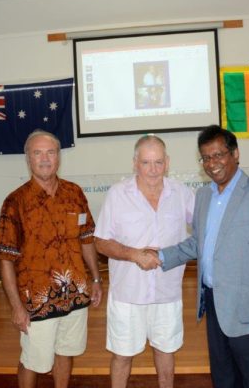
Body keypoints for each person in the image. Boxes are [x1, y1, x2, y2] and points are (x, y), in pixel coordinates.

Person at [160, 125, 249, 388]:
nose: (212, 163)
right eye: (206, 158)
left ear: (235, 154)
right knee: (223, 379)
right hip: (214, 304)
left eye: (218, 155)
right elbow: (198, 243)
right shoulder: (204, 196)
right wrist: (159, 256)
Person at [0, 130, 102, 388]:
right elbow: (5, 260)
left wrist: (96, 279)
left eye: (50, 152)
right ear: (28, 159)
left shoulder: (74, 193)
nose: (45, 159)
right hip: (37, 301)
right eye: (37, 153)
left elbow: (86, 239)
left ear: (58, 157)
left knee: (66, 351)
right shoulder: (14, 202)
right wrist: (16, 307)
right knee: (33, 361)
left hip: (76, 294)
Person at [94, 134, 194, 388]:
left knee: (166, 352)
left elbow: (206, 230)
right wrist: (134, 255)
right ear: (135, 163)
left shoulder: (182, 194)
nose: (153, 170)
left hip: (167, 293)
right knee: (122, 355)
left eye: (158, 162)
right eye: (146, 163)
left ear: (168, 162)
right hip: (128, 295)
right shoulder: (118, 195)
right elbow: (101, 242)